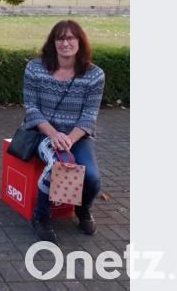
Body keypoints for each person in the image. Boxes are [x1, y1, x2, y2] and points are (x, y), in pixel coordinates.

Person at [22, 20, 105, 243]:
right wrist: (53, 134)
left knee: (93, 178)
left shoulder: (94, 75)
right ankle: (40, 216)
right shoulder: (35, 68)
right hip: (43, 132)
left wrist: (68, 139)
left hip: (76, 136)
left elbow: (89, 115)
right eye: (60, 38)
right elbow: (31, 107)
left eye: (70, 38)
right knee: (58, 166)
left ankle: (83, 209)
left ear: (80, 42)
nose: (65, 43)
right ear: (53, 42)